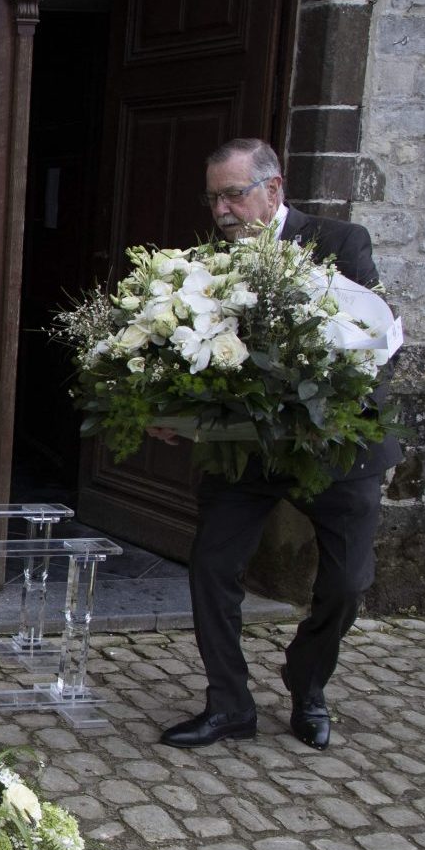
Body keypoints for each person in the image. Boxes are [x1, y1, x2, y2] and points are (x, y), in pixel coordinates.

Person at [159, 138, 399, 752]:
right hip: (247, 451)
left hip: (335, 449)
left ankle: (308, 683)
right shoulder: (207, 263)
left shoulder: (341, 242)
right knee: (212, 567)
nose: (222, 211)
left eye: (233, 195)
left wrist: (324, 408)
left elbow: (375, 342)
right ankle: (229, 705)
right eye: (213, 197)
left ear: (274, 188)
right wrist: (171, 409)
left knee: (346, 584)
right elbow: (199, 361)